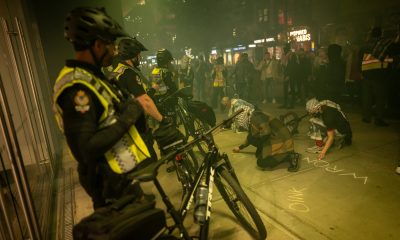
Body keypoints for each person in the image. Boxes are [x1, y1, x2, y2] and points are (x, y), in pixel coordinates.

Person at [53, 7, 149, 209]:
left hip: (121, 180)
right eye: (111, 44)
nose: (115, 50)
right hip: (108, 187)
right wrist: (128, 117)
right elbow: (85, 147)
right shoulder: (77, 89)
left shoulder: (93, 76)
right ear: (97, 45)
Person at [112, 37, 170, 162]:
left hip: (122, 126)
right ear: (132, 55)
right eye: (139, 55)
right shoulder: (128, 73)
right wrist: (162, 119)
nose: (140, 58)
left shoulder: (117, 71)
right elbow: (144, 101)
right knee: (149, 162)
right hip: (134, 126)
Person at [232, 111, 300, 172]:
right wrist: (240, 147)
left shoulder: (256, 118)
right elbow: (251, 136)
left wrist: (265, 151)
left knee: (261, 162)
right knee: (257, 149)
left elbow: (266, 132)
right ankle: (282, 154)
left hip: (281, 140)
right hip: (277, 136)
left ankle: (290, 156)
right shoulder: (255, 115)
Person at [360, 26, 393, 126]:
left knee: (367, 97)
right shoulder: (384, 44)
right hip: (379, 73)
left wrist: (360, 71)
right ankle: (379, 118)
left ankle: (366, 117)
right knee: (380, 97)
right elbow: (391, 56)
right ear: (381, 34)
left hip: (366, 73)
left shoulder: (365, 45)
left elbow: (359, 59)